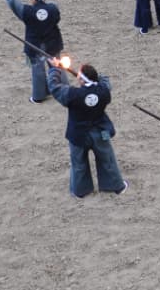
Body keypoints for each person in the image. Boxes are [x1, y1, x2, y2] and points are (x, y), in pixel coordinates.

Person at [46, 60, 126, 198]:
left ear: (82, 80)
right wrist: (92, 77)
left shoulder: (73, 94)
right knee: (108, 159)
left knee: (78, 164)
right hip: (101, 132)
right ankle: (115, 186)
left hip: (78, 135)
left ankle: (80, 191)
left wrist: (54, 69)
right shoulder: (104, 91)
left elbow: (54, 87)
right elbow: (104, 80)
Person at [3, 0, 63, 103]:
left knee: (37, 69)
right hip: (53, 43)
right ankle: (62, 89)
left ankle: (39, 96)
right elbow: (52, 12)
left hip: (35, 45)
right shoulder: (53, 8)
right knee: (57, 65)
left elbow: (13, 2)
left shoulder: (27, 11)